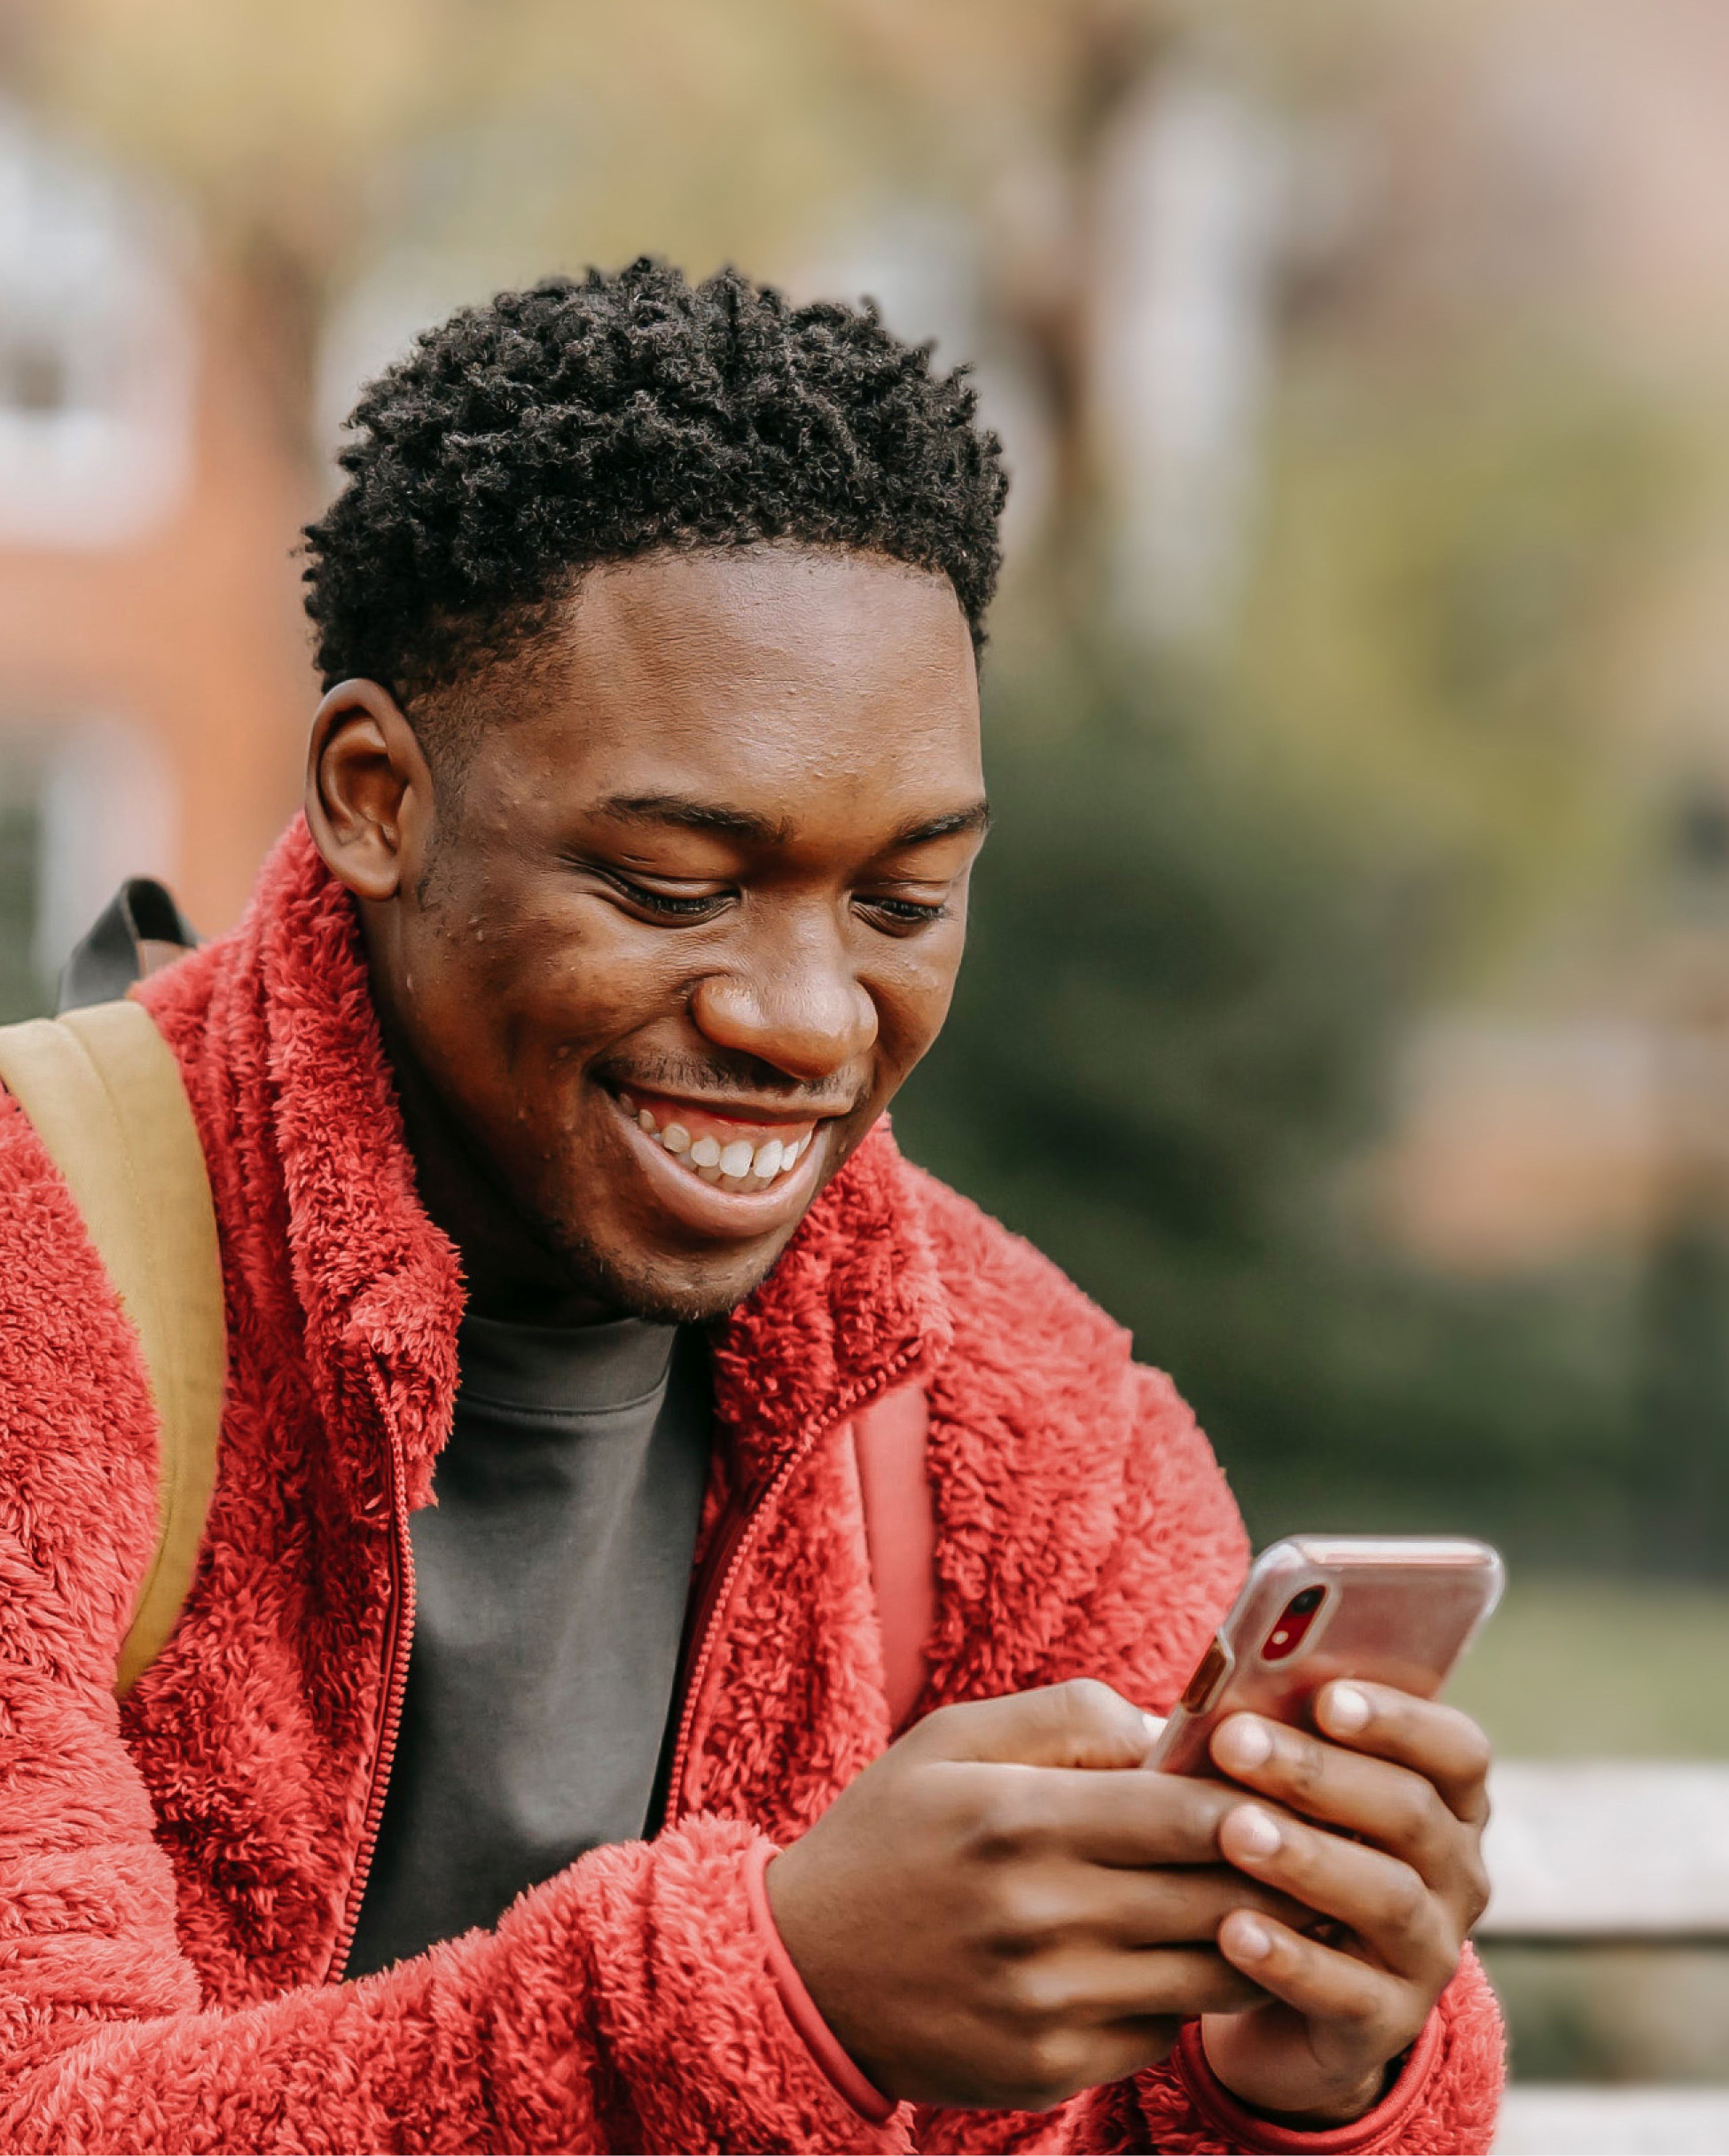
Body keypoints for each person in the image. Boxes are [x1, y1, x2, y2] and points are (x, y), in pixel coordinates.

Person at [0, 261, 1502, 2154]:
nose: (803, 1021)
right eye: (672, 883)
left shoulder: (1030, 1433)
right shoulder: (39, 1266)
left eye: (900, 901)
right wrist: (766, 2001)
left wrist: (1297, 2081)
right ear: (378, 795)